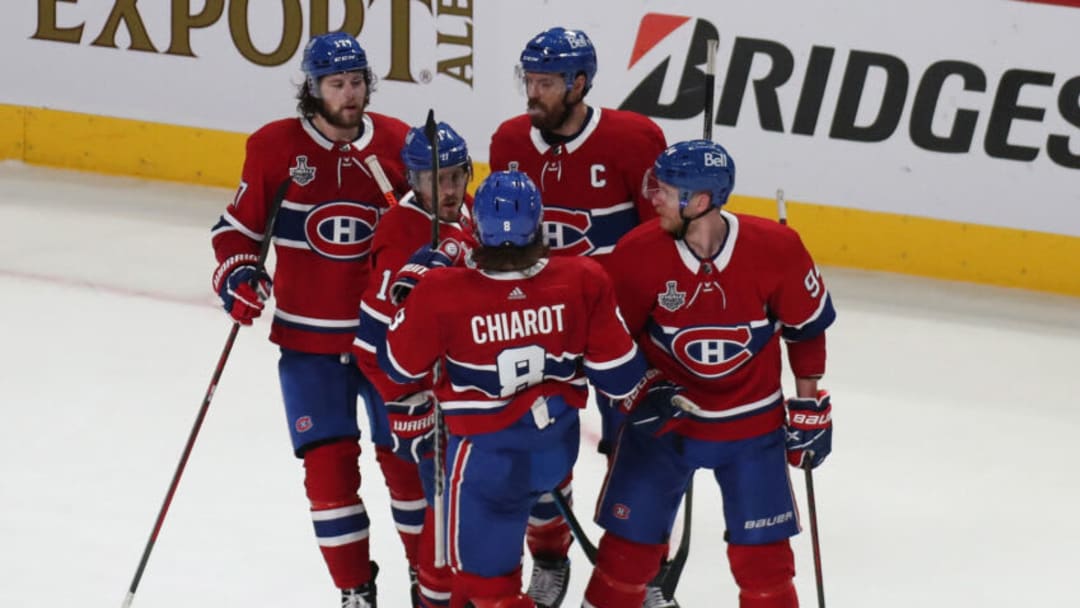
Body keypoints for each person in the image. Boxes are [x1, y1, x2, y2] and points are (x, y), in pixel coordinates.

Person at [582, 140, 837, 608]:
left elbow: (805, 329)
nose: (652, 197)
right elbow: (611, 339)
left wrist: (808, 403)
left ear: (699, 202)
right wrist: (639, 391)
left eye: (665, 189)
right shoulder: (638, 253)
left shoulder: (776, 248)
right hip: (663, 423)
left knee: (766, 568)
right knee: (625, 559)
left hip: (751, 427)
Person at [378, 170, 650, 608]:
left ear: (475, 229)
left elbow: (397, 365)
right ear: (539, 225)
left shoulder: (441, 290)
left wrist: (412, 295)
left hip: (488, 465)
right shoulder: (583, 278)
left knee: (490, 591)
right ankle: (550, 558)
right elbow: (620, 375)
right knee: (539, 506)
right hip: (555, 452)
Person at [209, 31, 410, 607]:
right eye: (335, 84)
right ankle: (355, 591)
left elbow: (441, 229)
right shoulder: (276, 148)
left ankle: (431, 586)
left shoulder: (398, 144)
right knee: (326, 474)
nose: (349, 95)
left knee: (407, 468)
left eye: (356, 83)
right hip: (308, 343)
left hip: (390, 342)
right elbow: (237, 232)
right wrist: (240, 276)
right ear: (312, 88)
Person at [488, 27, 668, 604]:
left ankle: (643, 570)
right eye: (530, 81)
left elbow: (658, 237)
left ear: (580, 83)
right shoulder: (511, 139)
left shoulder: (635, 139)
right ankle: (549, 555)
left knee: (637, 450)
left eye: (545, 83)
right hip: (539, 329)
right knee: (539, 452)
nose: (532, 93)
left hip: (618, 329)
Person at [352, 120, 477, 608]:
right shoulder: (400, 233)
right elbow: (370, 344)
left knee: (471, 512)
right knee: (442, 519)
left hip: (469, 395)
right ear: (414, 179)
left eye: (455, 176)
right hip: (430, 403)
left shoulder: (467, 210)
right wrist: (407, 402)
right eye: (435, 180)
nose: (448, 189)